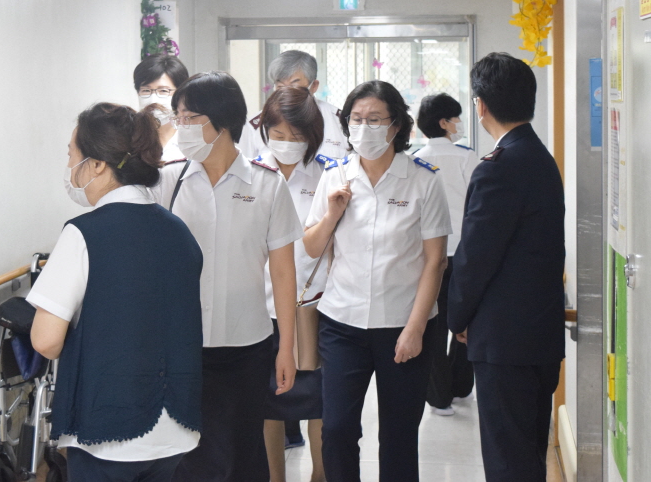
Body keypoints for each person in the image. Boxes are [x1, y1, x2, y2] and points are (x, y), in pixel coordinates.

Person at [28, 103, 204, 482]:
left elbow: (45, 340)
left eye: (71, 154)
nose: (69, 166)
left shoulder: (84, 233)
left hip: (108, 428)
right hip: (175, 428)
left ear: (97, 165)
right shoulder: (179, 231)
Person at [149, 71, 302, 482]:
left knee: (242, 451)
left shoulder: (268, 185)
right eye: (179, 117)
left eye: (190, 117)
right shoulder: (166, 181)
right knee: (187, 455)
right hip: (181, 347)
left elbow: (283, 272)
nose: (181, 126)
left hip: (245, 344)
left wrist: (287, 347)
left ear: (222, 121)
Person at [303, 80, 451, 482]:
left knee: (399, 434)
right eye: (356, 119)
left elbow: (435, 261)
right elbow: (312, 247)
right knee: (336, 429)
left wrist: (415, 329)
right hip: (342, 323)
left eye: (374, 119)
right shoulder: (335, 175)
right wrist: (332, 215)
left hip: (404, 324)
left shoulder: (422, 180)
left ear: (396, 125)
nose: (363, 128)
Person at [447, 53, 566, 482]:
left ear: (480, 105)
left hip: (504, 341)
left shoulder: (498, 168)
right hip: (539, 335)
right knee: (528, 453)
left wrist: (457, 318)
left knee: (507, 460)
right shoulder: (540, 158)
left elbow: (476, 256)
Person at [255, 87, 329, 482]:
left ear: (312, 135)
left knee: (321, 403)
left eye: (295, 136)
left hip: (312, 310)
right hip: (259, 309)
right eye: (277, 135)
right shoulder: (250, 173)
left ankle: (321, 474)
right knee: (267, 404)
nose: (285, 144)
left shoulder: (327, 174)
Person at [413, 92, 480, 416]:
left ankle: (438, 398)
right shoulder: (468, 158)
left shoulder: (414, 159)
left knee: (434, 326)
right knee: (467, 322)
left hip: (429, 254)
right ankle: (461, 386)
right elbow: (478, 205)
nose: (460, 123)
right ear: (444, 122)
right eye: (456, 118)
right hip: (465, 253)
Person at [239, 50, 345, 160]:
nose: (287, 94)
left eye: (294, 87)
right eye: (280, 87)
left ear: (314, 86)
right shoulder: (254, 127)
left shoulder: (339, 122)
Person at [133, 53, 190, 162]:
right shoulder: (127, 139)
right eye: (146, 90)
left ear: (180, 94)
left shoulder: (194, 140)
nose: (153, 100)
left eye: (163, 91)